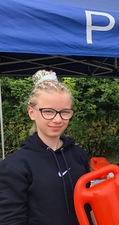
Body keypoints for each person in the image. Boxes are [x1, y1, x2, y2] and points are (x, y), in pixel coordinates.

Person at [0, 70, 91, 225]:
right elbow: (11, 220)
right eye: (48, 112)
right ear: (31, 112)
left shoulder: (78, 155)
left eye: (64, 112)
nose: (57, 119)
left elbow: (90, 205)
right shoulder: (14, 166)